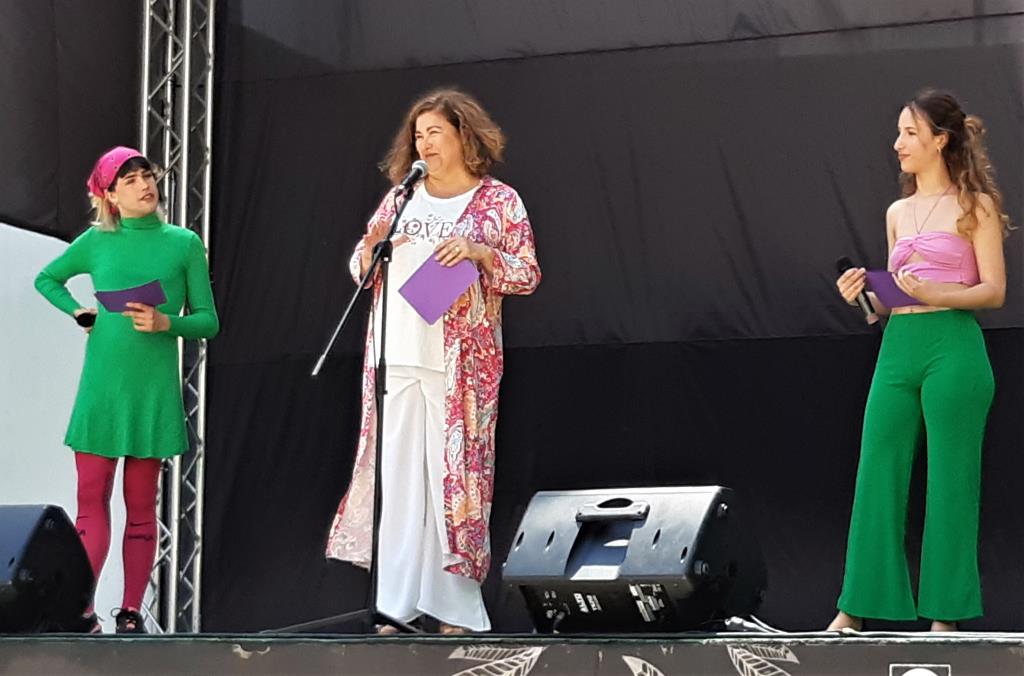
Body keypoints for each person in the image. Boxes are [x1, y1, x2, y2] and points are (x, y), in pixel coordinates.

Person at [325, 89, 541, 633]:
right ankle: (396, 606)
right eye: (419, 135)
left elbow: (527, 273)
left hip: (459, 367)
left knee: (456, 483)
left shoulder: (498, 202)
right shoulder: (402, 197)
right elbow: (361, 266)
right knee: (399, 481)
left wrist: (480, 253)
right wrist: (369, 251)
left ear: (464, 136)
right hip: (395, 353)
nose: (425, 144)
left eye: (435, 133)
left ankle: (455, 609)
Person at [830, 89, 1009, 632]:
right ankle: (856, 608)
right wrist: (864, 296)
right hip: (899, 347)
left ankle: (946, 617)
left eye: (910, 133)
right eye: (900, 133)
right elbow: (893, 300)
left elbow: (995, 291)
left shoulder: (974, 206)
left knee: (953, 480)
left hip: (953, 345)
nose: (898, 143)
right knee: (876, 472)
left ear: (940, 139)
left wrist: (938, 293)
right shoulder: (897, 213)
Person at [35, 146, 219, 633]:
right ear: (110, 195)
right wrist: (79, 311)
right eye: (130, 179)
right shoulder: (96, 241)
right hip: (102, 389)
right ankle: (82, 608)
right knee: (90, 501)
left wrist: (166, 323)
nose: (144, 184)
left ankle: (132, 611)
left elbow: (209, 321)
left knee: (142, 506)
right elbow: (47, 278)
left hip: (150, 392)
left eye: (147, 175)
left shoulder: (183, 243)